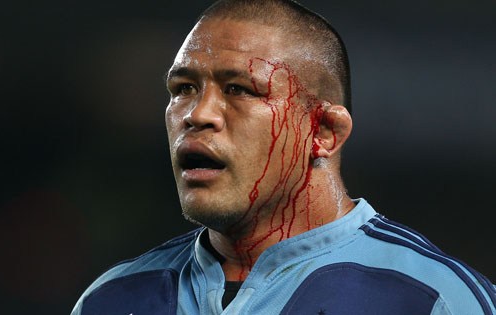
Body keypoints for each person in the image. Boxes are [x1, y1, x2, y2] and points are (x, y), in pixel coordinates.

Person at [72, 0, 496, 314]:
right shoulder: (110, 299)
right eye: (183, 88)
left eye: (238, 88)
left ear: (325, 132)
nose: (196, 114)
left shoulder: (431, 299)